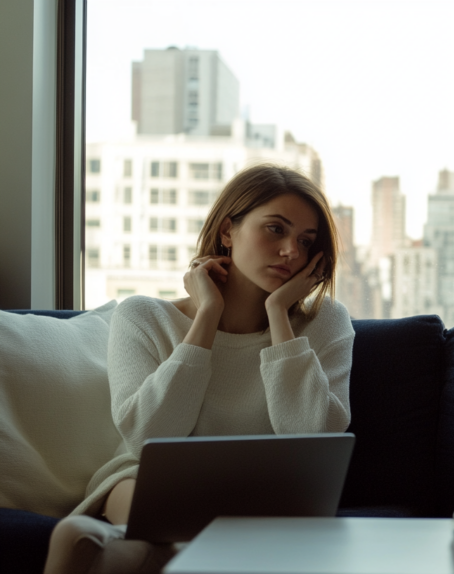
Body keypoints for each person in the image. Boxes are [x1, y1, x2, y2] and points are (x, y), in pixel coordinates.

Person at [45, 163, 355, 573]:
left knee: (139, 548)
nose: (291, 252)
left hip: (265, 490)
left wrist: (278, 315)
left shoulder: (325, 321)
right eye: (275, 229)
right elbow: (149, 435)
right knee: (138, 496)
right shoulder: (143, 316)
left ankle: (145, 554)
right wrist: (208, 314)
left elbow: (313, 437)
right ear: (228, 231)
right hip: (148, 481)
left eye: (305, 241)